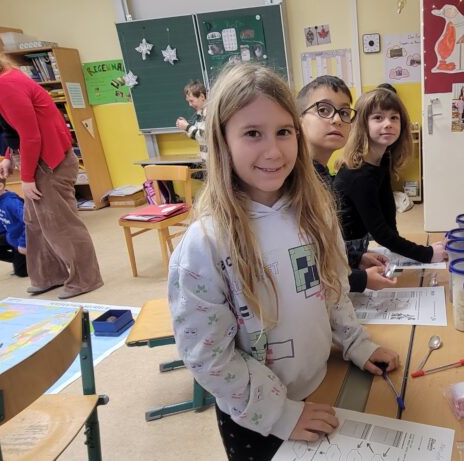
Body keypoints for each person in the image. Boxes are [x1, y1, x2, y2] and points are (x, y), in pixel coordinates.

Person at [168, 63, 400, 461]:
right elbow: (207, 355)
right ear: (222, 140)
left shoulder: (317, 213)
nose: (273, 151)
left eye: (283, 132)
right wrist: (279, 413)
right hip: (256, 415)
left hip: (321, 383)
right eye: (252, 133)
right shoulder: (204, 243)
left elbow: (333, 289)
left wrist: (356, 343)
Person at [0, 36, 103, 299]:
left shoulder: (7, 84)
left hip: (49, 164)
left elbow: (31, 135)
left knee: (60, 224)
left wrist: (26, 177)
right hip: (41, 160)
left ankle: (86, 279)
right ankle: (50, 274)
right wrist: (8, 156)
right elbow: (16, 130)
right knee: (34, 222)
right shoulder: (3, 80)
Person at [296, 76, 397, 292]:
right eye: (323, 110)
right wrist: (361, 280)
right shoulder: (297, 180)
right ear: (299, 120)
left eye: (343, 112)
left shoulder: (321, 174)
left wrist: (356, 258)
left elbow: (324, 246)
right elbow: (302, 263)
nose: (337, 120)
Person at [334, 88, 446, 264]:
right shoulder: (358, 174)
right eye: (378, 118)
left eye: (394, 117)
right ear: (362, 124)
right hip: (342, 253)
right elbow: (381, 233)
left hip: (360, 245)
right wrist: (427, 254)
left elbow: (388, 212)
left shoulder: (382, 160)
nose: (388, 123)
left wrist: (400, 246)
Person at [176, 80, 209, 164]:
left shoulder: (210, 112)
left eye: (191, 101)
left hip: (216, 162)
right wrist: (185, 127)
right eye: (188, 102)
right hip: (208, 161)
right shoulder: (200, 113)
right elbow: (196, 136)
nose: (190, 105)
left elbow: (205, 136)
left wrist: (187, 127)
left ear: (202, 96)